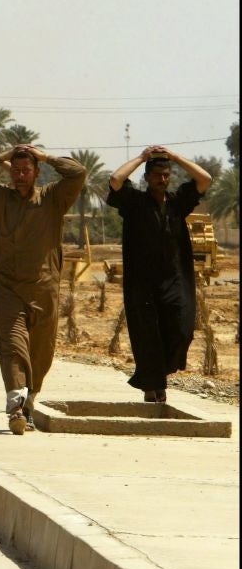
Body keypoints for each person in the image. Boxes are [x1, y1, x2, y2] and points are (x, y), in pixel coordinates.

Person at [0, 145, 85, 435]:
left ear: (36, 173)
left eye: (25, 170)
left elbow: (78, 172)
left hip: (44, 289)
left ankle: (29, 399)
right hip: (5, 287)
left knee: (41, 353)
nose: (19, 175)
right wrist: (1, 157)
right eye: (15, 170)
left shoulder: (53, 198)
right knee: (13, 347)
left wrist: (44, 156)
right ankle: (15, 405)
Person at [106, 145, 211, 402]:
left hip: (175, 277)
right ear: (147, 177)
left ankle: (158, 374)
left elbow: (204, 179)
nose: (162, 179)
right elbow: (116, 180)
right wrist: (142, 157)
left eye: (166, 175)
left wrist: (174, 157)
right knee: (146, 332)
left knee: (181, 328)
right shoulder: (134, 202)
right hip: (142, 281)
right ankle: (153, 386)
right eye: (156, 175)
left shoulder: (178, 202)